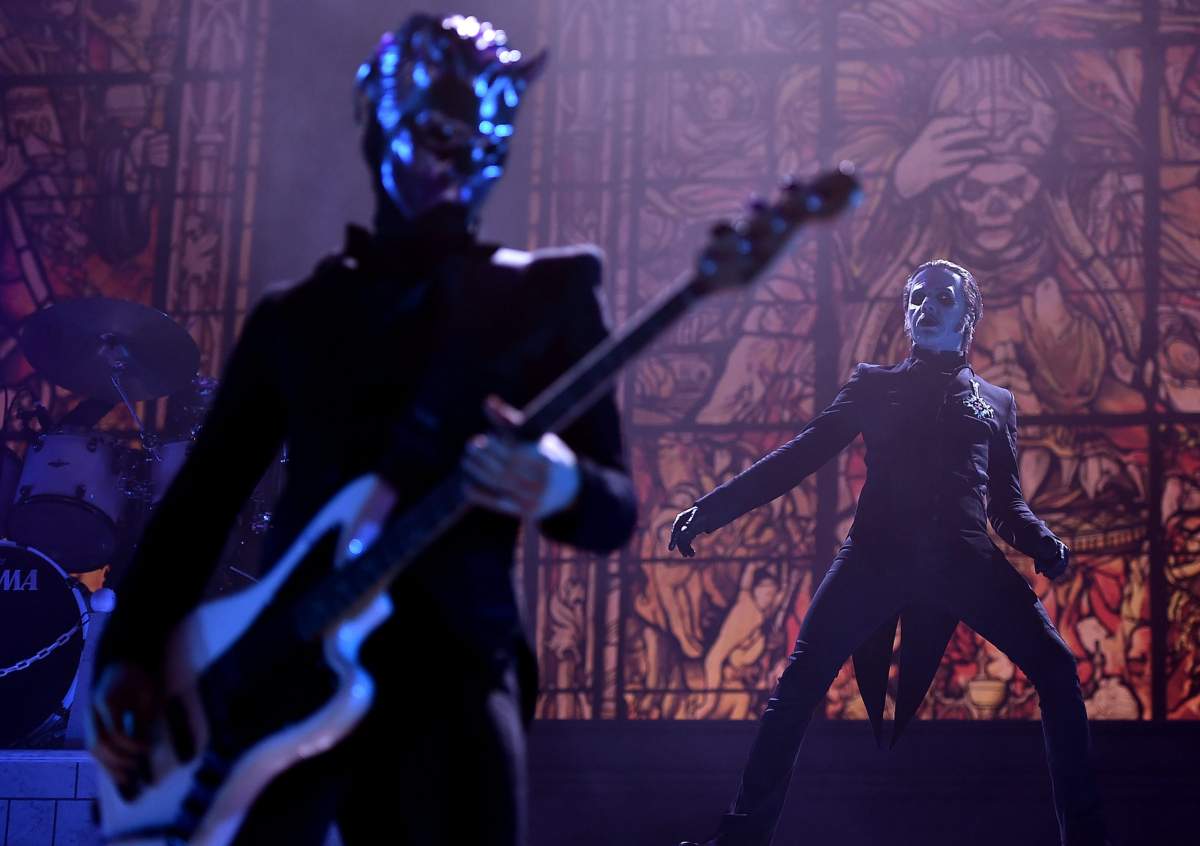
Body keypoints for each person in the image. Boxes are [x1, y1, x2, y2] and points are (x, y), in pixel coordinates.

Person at [86, 13, 636, 845]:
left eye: (474, 143)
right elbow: (199, 506)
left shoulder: (546, 298)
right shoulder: (296, 316)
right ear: (378, 122)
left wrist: (560, 481)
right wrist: (128, 655)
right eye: (431, 133)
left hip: (454, 670)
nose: (449, 164)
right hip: (283, 668)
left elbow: (614, 508)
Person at [672, 259, 1110, 846]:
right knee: (798, 684)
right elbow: (799, 456)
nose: (927, 307)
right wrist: (712, 510)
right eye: (916, 298)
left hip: (964, 560)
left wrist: (1042, 543)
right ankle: (740, 840)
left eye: (943, 298)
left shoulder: (998, 403)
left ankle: (1085, 839)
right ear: (906, 314)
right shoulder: (873, 386)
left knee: (1056, 669)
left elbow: (1005, 505)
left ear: (968, 316)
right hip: (874, 557)